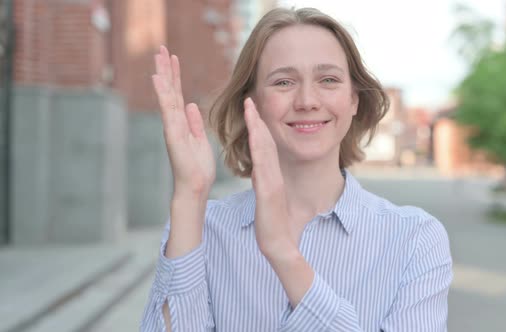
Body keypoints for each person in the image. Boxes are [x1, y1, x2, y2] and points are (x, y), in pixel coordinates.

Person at [140, 7, 452, 332]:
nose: (306, 100)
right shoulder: (203, 227)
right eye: (284, 82)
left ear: (354, 99)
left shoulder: (415, 239)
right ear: (253, 102)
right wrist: (191, 195)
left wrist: (283, 252)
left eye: (328, 80)